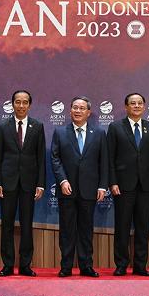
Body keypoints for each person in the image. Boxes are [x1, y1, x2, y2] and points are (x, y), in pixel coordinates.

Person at [50, 96, 108, 277]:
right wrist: (62, 180)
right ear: (70, 110)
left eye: (82, 108)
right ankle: (66, 266)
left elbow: (104, 162)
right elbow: (55, 158)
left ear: (88, 112)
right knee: (66, 230)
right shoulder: (60, 132)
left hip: (89, 189)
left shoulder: (98, 133)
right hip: (66, 188)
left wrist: (102, 186)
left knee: (85, 229)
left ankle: (86, 266)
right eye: (75, 107)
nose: (78, 111)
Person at [0, 90, 46, 277]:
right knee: (6, 224)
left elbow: (41, 157)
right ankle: (7, 265)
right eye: (18, 102)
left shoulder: (37, 126)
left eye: (25, 102)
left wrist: (40, 184)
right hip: (7, 184)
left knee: (26, 224)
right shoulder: (3, 125)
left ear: (29, 105)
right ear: (12, 104)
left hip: (29, 184)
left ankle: (25, 265)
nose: (21, 106)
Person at [107, 93, 149, 277]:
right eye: (133, 103)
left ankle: (140, 265)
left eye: (140, 103)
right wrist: (112, 181)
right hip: (123, 185)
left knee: (143, 227)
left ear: (144, 107)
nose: (136, 106)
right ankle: (121, 264)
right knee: (122, 226)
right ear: (126, 107)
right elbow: (110, 158)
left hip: (145, 185)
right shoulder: (115, 127)